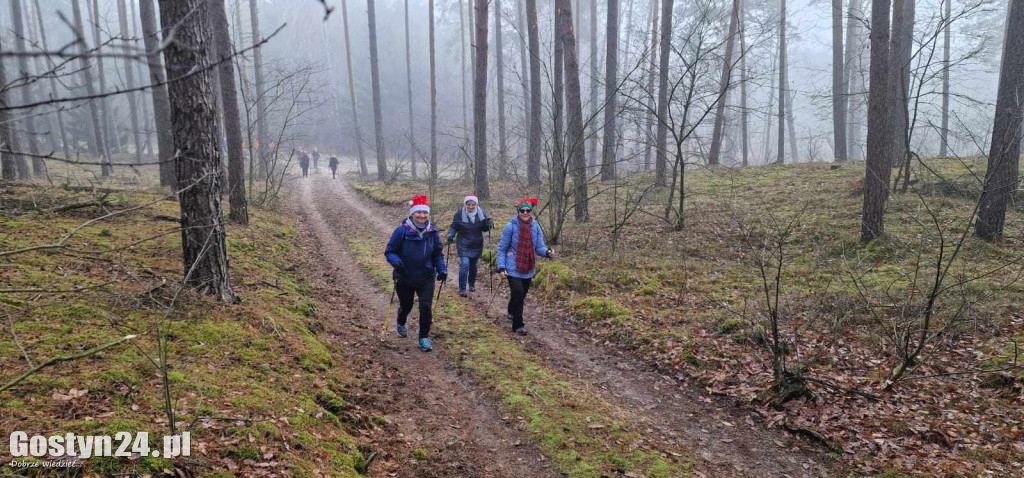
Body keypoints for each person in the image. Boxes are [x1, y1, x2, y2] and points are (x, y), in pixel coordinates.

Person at [385, 195, 448, 351]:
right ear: (412, 213)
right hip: (404, 276)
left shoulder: (432, 232)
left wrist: (442, 269)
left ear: (428, 214)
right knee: (407, 305)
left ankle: (424, 337)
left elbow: (438, 254)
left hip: (426, 277)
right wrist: (396, 263)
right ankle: (401, 320)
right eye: (418, 212)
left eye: (425, 213)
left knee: (426, 307)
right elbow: (390, 251)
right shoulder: (402, 231)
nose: (422, 216)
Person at [496, 198, 554, 335]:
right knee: (518, 293)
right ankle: (518, 325)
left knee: (520, 296)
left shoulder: (535, 226)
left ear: (531, 211)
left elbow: (539, 247)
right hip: (512, 267)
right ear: (518, 211)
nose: (525, 213)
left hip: (528, 267)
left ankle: (511, 309)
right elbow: (502, 249)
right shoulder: (510, 226)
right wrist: (501, 267)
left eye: (528, 210)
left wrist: (547, 252)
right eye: (522, 210)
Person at [446, 195, 494, 297]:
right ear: (465, 204)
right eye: (468, 204)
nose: (471, 207)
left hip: (477, 243)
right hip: (463, 243)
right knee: (465, 264)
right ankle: (462, 289)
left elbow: (485, 229)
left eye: (473, 205)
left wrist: (489, 224)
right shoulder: (459, 214)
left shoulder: (482, 214)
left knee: (473, 266)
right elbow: (454, 226)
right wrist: (451, 234)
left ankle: (471, 284)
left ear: (476, 204)